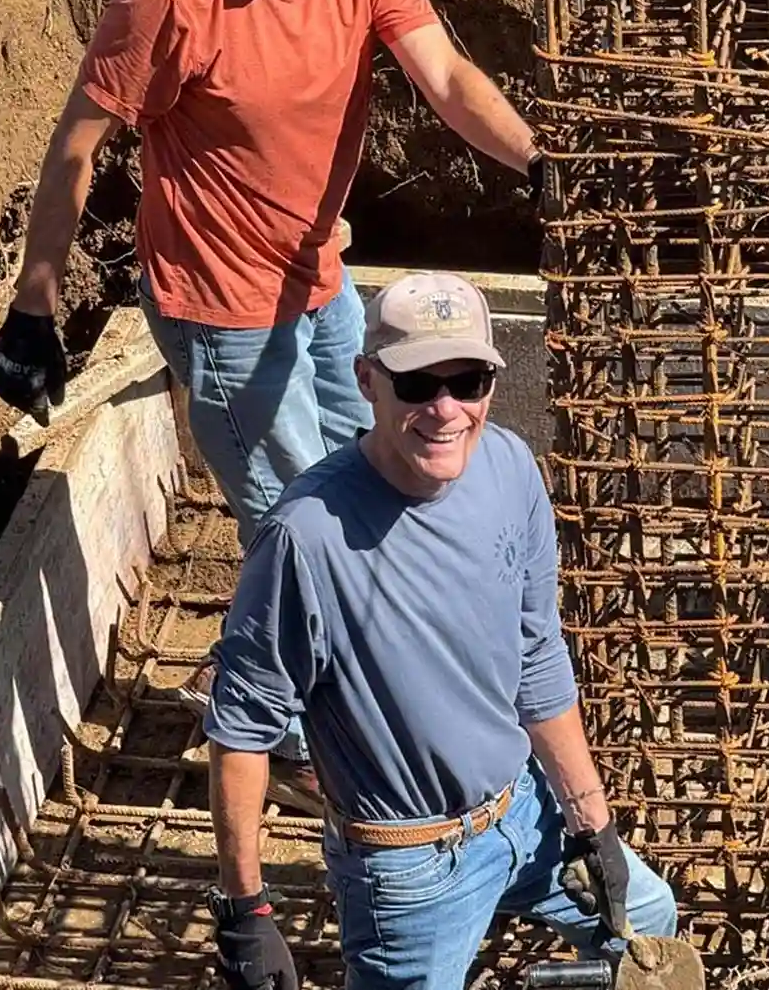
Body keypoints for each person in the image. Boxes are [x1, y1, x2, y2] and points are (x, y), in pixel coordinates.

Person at [0, 0, 546, 810]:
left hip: (321, 282)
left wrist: (539, 163)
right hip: (220, 311)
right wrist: (34, 304)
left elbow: (445, 78)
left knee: (367, 482)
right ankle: (286, 743)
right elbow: (77, 145)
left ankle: (265, 678)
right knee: (299, 526)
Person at [202, 271, 679, 990]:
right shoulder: (306, 538)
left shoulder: (509, 468)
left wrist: (593, 825)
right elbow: (242, 730)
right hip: (410, 864)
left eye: (468, 381)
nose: (446, 408)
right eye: (418, 383)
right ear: (367, 380)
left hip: (523, 808)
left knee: (649, 917)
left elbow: (537, 655)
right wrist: (246, 911)